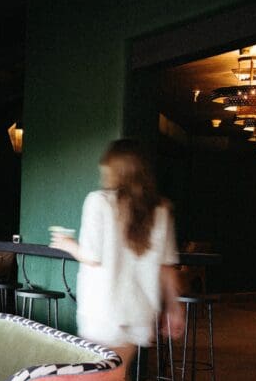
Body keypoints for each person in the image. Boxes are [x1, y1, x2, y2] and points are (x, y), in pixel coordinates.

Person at [50, 139, 184, 369]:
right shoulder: (161, 210)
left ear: (113, 169)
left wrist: (67, 244)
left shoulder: (99, 202)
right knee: (117, 380)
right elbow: (166, 267)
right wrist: (174, 308)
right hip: (140, 312)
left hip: (103, 311)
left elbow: (92, 256)